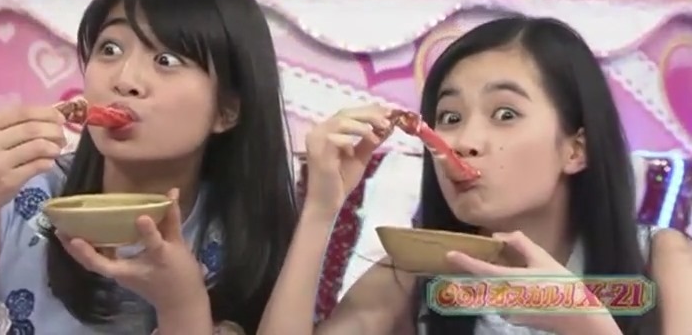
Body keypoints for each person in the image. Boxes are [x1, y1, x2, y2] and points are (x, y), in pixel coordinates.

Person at [0, 0, 298, 335]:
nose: (124, 80)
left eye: (166, 60)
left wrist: (183, 305)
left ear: (227, 111)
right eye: (110, 49)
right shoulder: (22, 196)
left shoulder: (245, 234)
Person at [258, 16, 692, 335]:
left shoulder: (660, 261)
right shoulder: (412, 272)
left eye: (505, 114)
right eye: (449, 117)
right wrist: (321, 209)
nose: (464, 141)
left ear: (576, 149)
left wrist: (587, 324)